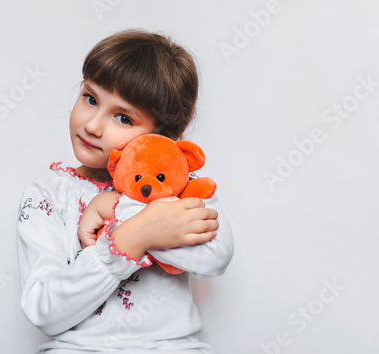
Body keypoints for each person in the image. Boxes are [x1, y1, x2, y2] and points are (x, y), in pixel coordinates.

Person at [16, 29, 234, 353]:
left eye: (123, 117)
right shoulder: (48, 196)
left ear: (162, 134)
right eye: (90, 99)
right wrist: (131, 237)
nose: (92, 125)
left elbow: (215, 256)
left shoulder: (180, 186)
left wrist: (121, 210)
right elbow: (44, 309)